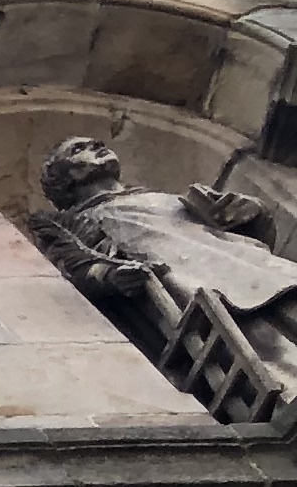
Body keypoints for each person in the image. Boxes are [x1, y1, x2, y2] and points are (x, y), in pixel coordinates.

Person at [26, 135, 297, 371]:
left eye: (95, 142)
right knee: (272, 349)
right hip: (201, 291)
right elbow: (77, 270)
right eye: (78, 150)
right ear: (66, 179)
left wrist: (248, 212)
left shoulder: (165, 197)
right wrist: (110, 275)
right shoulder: (82, 224)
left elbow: (246, 234)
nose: (97, 145)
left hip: (259, 270)